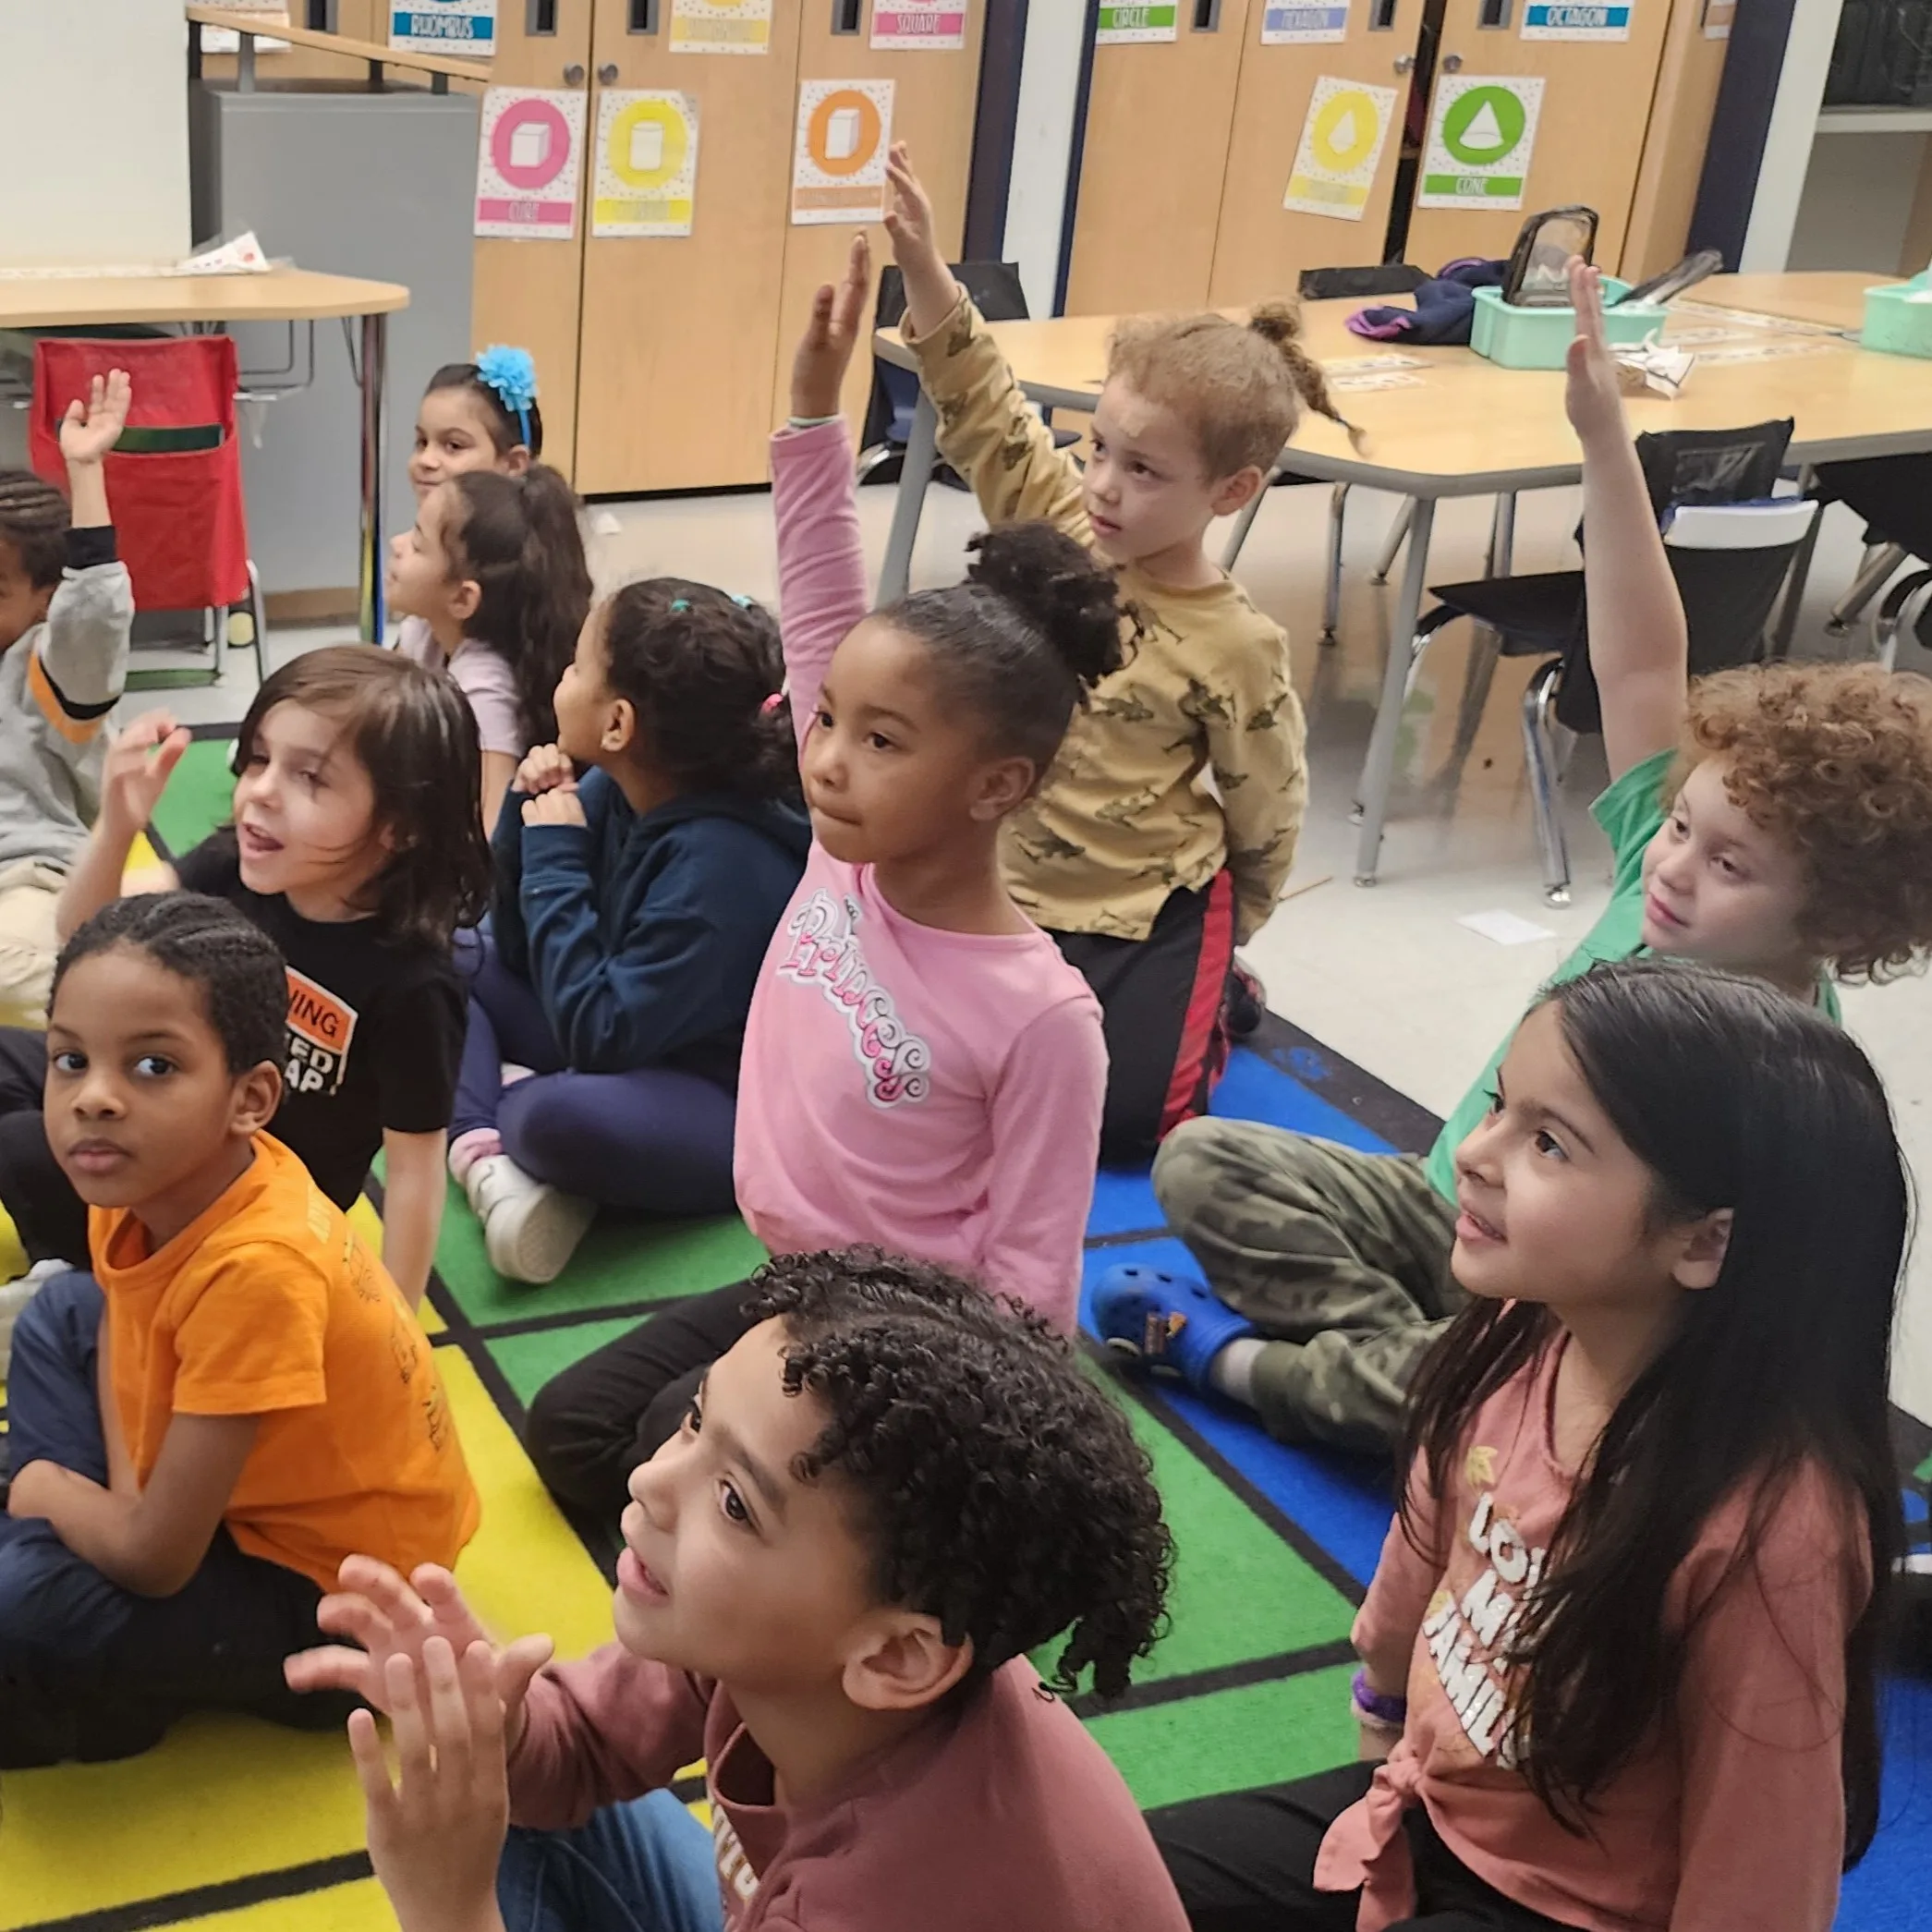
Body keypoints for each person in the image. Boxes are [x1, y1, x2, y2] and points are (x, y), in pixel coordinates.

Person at [1101, 260, 1932, 1452]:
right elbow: (1644, 664)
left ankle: (1253, 1367)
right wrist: (1601, 437)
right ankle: (1426, 1388)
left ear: (1839, 927)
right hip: (1451, 1206)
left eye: (1729, 867)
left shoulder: (1786, 1068)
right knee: (1197, 1160)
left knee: (1539, 1391)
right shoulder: (1660, 840)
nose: (1675, 864)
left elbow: (1714, 1300)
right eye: (1686, 826)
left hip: (1563, 1299)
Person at [518, 236, 1118, 1521]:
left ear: (995, 785)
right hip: (793, 1277)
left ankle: (793, 1616)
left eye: (881, 740)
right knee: (573, 1428)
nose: (829, 761)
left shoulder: (1041, 1016)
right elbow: (818, 580)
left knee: (645, 1455)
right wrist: (809, 406)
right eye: (827, 720)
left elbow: (1025, 1285)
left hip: (899, 1347)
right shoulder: (848, 840)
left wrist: (948, 1457)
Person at [1148, 958, 1904, 1932]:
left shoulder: (1770, 1529)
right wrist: (1382, 1710)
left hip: (1569, 1910)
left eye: (1548, 1141)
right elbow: (1423, 1546)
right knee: (1093, 1876)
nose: (1474, 1150)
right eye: (1502, 1105)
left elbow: (1764, 1857)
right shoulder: (1516, 1330)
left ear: (1705, 1242)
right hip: (1422, 1809)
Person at [286, 1249, 1188, 1932]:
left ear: (897, 1655)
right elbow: (580, 1750)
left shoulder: (885, 1899)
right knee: (479, 1780)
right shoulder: (795, 1645)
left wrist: (451, 1911)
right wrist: (496, 1717)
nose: (648, 1481)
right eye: (692, 1421)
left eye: (732, 1500)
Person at [885, 143, 1339, 1163]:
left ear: (1232, 491)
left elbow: (1266, 807)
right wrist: (923, 266)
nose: (1102, 486)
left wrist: (1231, 939)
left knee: (1127, 1125)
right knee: (919, 1070)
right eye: (1098, 448)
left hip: (1138, 912)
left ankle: (1213, 992)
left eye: (1142, 470)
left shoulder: (1235, 644)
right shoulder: (1055, 527)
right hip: (999, 887)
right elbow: (984, 406)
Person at [0, 893, 479, 1768]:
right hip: (214, 1508)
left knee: (25, 1594)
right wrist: (118, 1495)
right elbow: (121, 1340)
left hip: (344, 1609)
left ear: (250, 1098)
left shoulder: (258, 1267)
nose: (93, 1099)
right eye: (71, 1059)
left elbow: (155, 1561)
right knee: (65, 1314)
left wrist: (47, 1485)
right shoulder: (142, 1185)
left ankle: (107, 1690)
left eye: (152, 1067)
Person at [0, 648, 493, 1312]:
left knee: (31, 1145)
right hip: (173, 1102)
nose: (260, 789)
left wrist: (393, 1328)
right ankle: (97, 1260)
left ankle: (110, 1276)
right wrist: (118, 825)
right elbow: (84, 931)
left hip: (250, 1205)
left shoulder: (411, 979)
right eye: (259, 758)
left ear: (398, 826)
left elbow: (412, 1170)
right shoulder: (238, 862)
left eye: (310, 778)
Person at [449, 581, 809, 1283]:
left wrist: (554, 862)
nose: (562, 678)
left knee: (555, 1118)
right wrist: (525, 820)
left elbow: (601, 1034)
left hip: (714, 1095)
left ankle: (502, 1107)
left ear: (617, 724)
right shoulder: (620, 785)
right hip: (620, 1032)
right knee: (442, 956)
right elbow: (518, 952)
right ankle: (485, 1155)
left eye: (578, 667)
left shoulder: (724, 864)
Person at [0, 370, 134, 1035]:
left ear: (44, 602)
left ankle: (115, 1000)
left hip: (25, 877)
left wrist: (87, 474)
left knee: (15, 971)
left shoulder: (49, 667)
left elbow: (94, 621)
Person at [387, 463, 592, 832]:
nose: (396, 544)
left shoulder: (484, 688)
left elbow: (490, 828)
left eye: (417, 544)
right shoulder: (422, 630)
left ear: (462, 598)